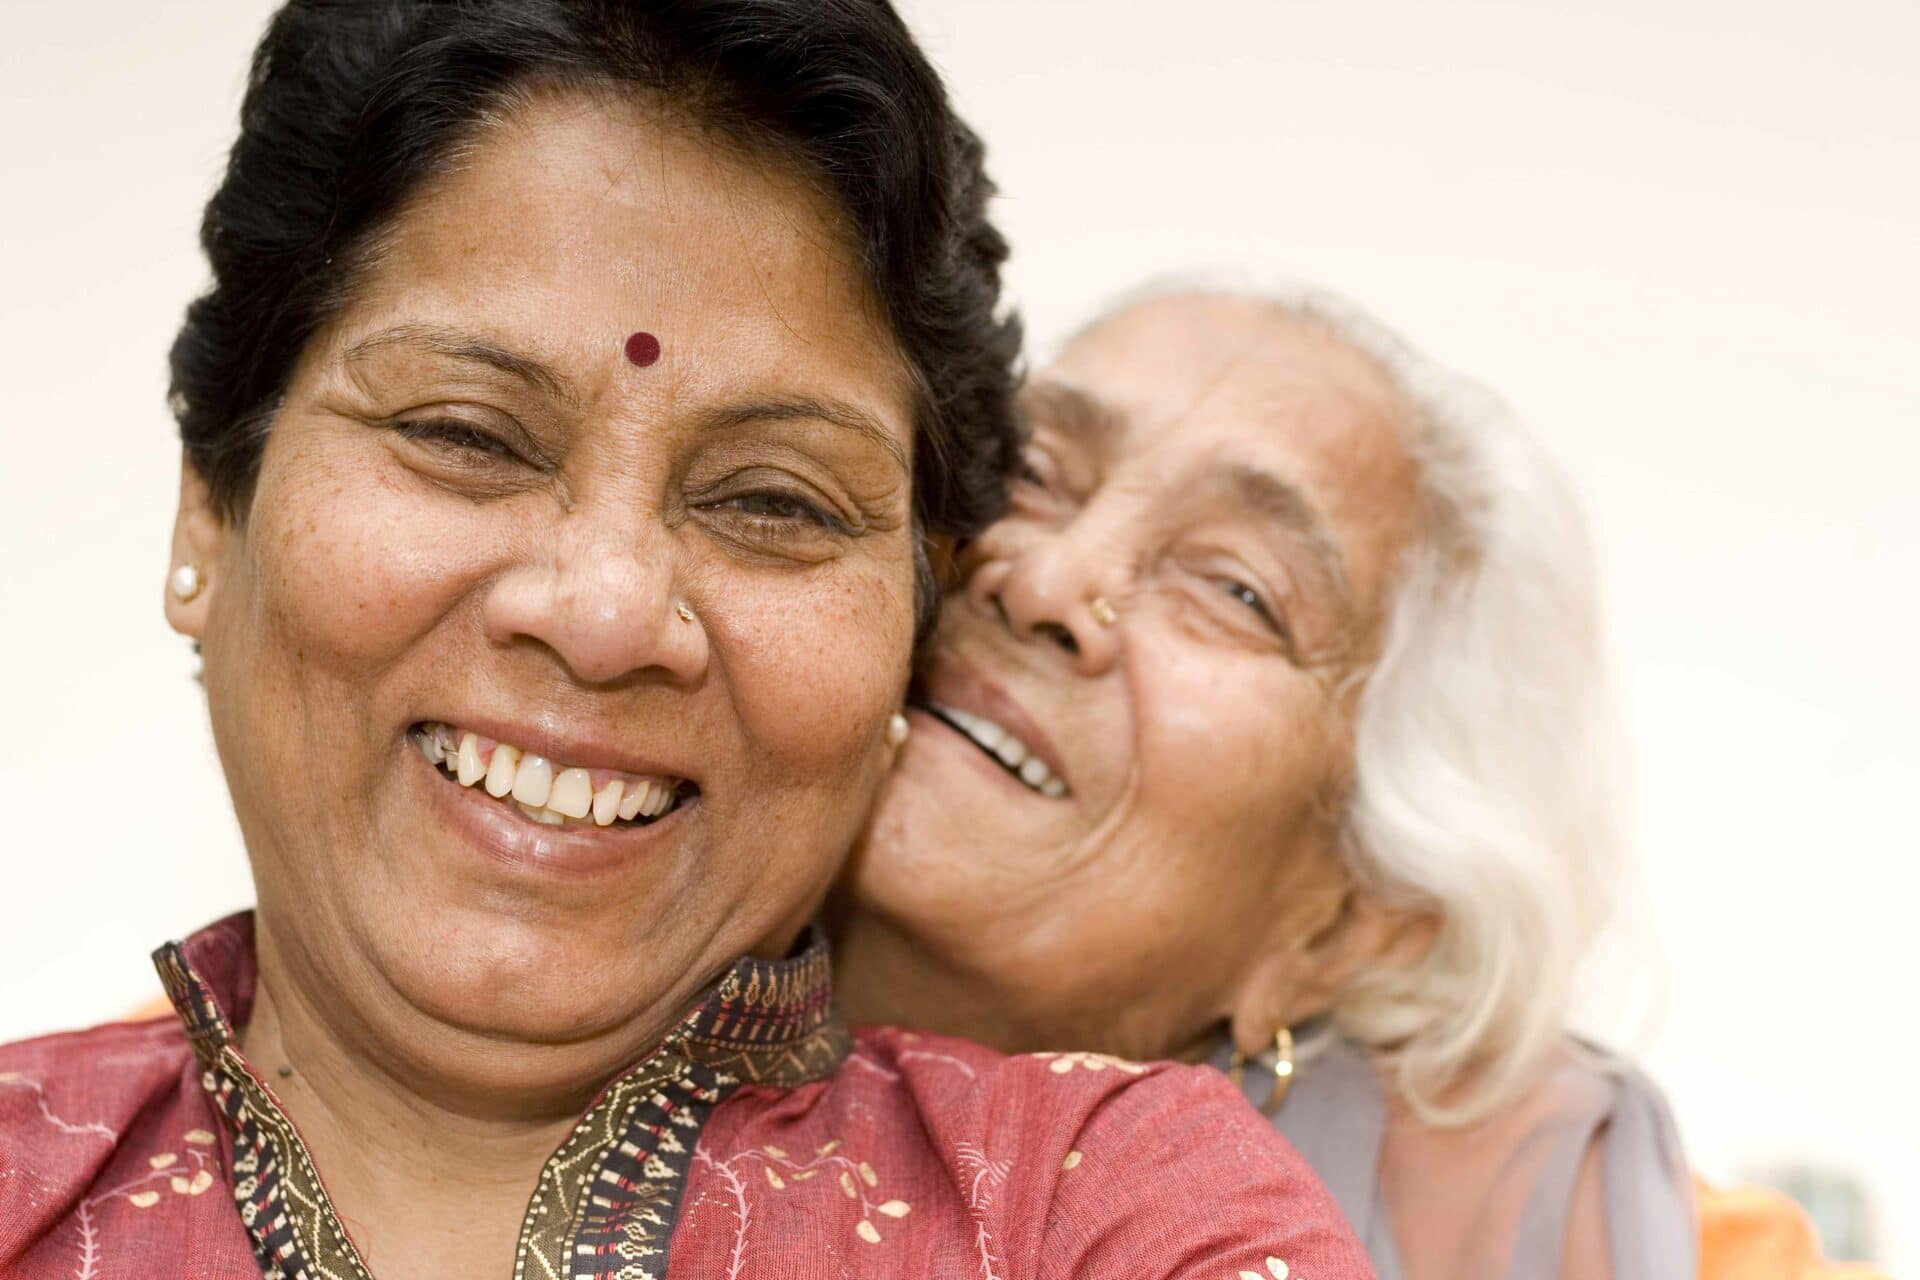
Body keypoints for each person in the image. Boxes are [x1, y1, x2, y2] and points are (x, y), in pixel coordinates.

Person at [0, 7, 1373, 1277]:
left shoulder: (1106, 1211)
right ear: (211, 517)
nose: (604, 617)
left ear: (909, 635)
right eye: (466, 435)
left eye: (773, 502)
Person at [833, 282, 1697, 1279]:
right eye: (1032, 470)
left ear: (1339, 927)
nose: (1043, 581)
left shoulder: (1522, 1204)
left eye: (1237, 587)